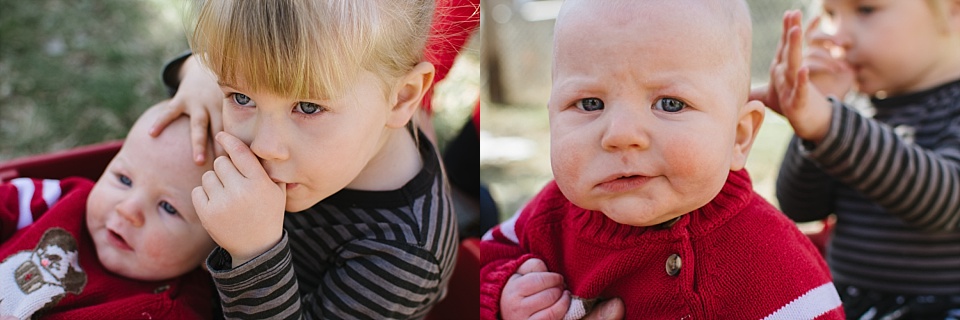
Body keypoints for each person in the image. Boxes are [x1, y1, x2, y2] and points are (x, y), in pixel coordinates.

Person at [479, 0, 847, 319]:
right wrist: (502, 297)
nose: (621, 134)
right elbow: (487, 258)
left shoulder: (775, 266)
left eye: (670, 104)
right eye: (590, 103)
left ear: (739, 137)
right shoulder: (547, 216)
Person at [159, 1, 459, 318]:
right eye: (242, 97)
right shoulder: (346, 127)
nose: (264, 146)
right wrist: (194, 73)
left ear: (402, 98)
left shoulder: (403, 255)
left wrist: (254, 253)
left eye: (308, 107)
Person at [754, 0, 960, 317]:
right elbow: (800, 206)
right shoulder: (853, 110)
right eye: (831, 15)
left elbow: (945, 203)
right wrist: (811, 125)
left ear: (952, 10)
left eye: (865, 10)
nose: (838, 36)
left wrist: (828, 124)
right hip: (848, 303)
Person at [0, 102, 216, 319]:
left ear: (215, 245)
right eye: (124, 179)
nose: (128, 210)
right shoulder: (64, 198)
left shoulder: (174, 310)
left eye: (168, 207)